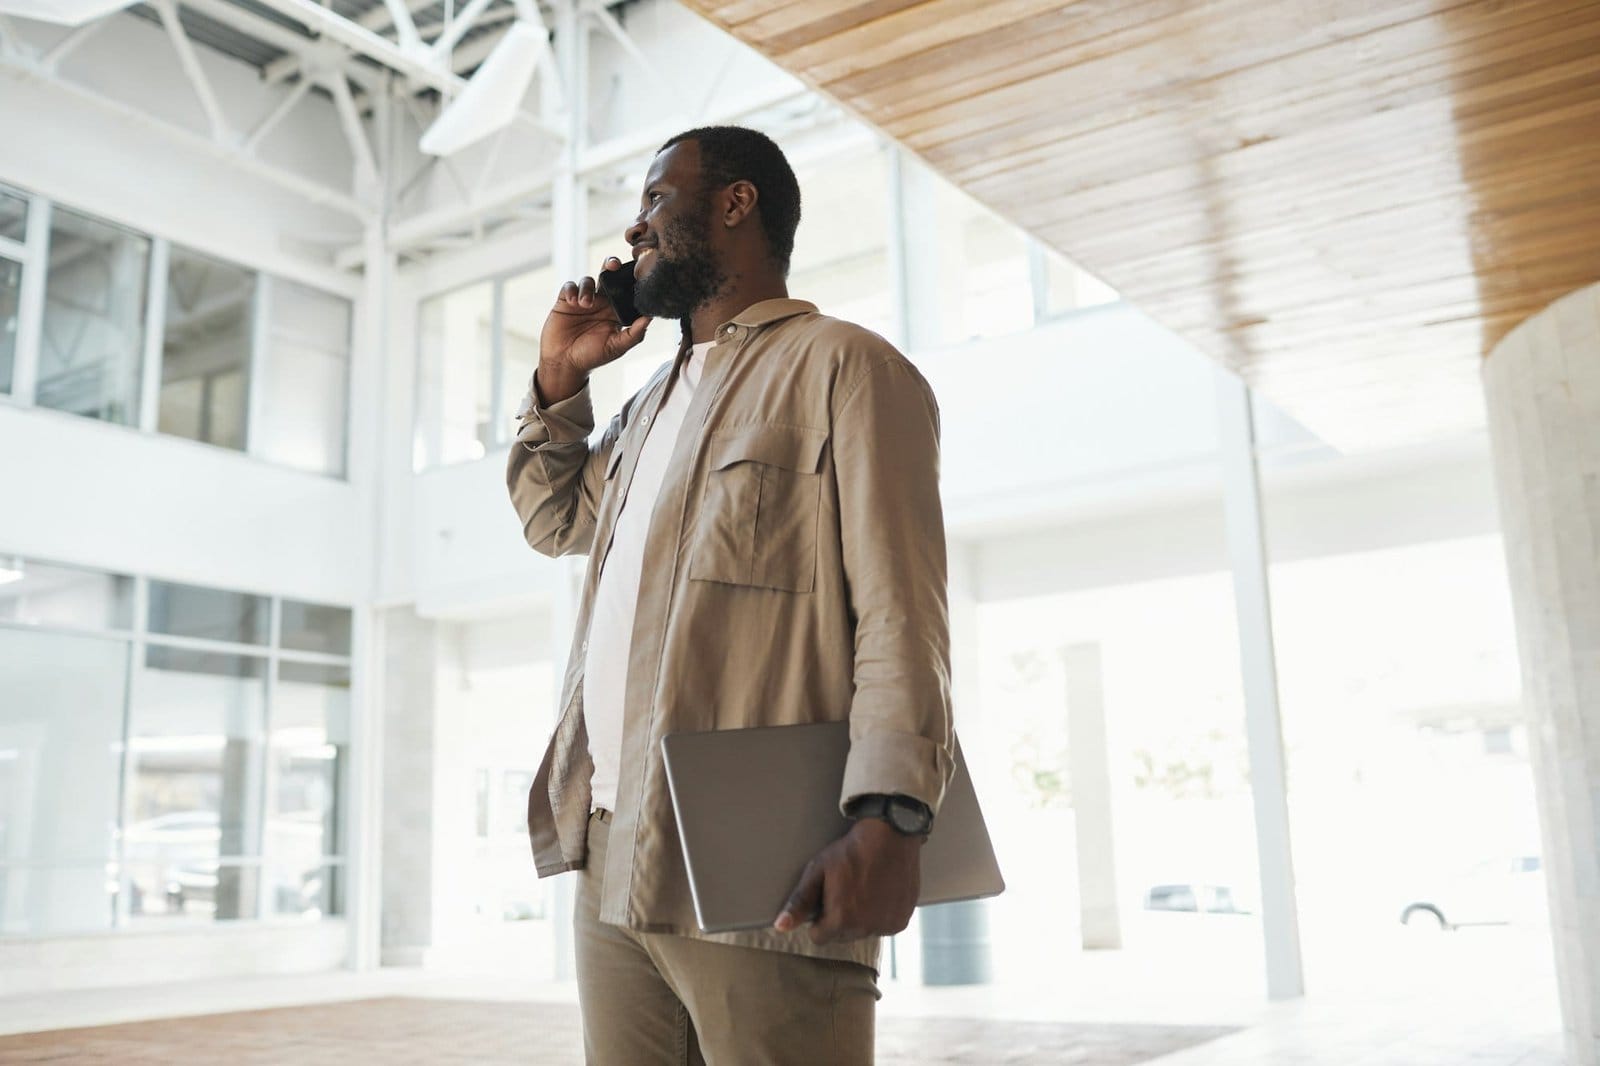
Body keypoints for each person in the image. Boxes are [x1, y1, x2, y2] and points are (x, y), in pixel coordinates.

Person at [506, 125, 953, 1065]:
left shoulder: (847, 368)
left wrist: (892, 815)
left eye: (658, 201)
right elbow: (553, 525)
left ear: (735, 204)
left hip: (763, 864)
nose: (634, 230)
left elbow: (900, 610)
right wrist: (559, 381)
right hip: (610, 857)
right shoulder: (642, 411)